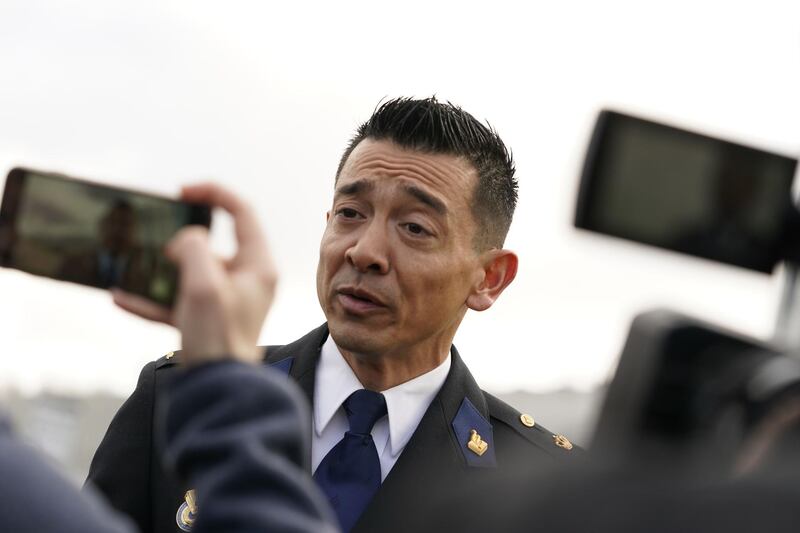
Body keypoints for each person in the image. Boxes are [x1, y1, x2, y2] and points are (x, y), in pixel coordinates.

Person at [87, 97, 580, 533]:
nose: (364, 252)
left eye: (414, 227)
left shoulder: (549, 492)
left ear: (489, 277)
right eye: (350, 214)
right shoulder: (175, 398)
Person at [0, 183, 337, 533]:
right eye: (349, 213)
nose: (366, 253)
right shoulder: (168, 389)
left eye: (403, 225)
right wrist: (226, 384)